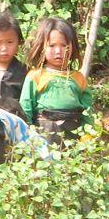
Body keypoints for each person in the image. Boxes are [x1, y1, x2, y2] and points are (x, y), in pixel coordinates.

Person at [19, 16, 93, 147]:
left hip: (73, 133)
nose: (58, 51)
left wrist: (88, 133)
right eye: (52, 46)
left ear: (72, 46)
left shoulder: (79, 78)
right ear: (41, 47)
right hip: (43, 133)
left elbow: (87, 110)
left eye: (64, 45)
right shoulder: (35, 76)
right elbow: (26, 107)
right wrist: (28, 132)